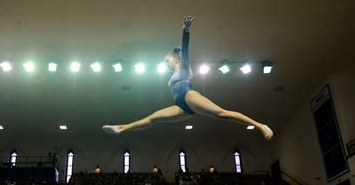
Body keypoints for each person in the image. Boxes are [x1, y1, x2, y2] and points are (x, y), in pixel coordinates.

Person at [102, 16, 273, 141]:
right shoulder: (171, 76)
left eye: (166, 60)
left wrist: (185, 30)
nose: (165, 64)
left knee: (222, 114)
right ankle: (121, 128)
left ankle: (260, 125)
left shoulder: (184, 66)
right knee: (154, 117)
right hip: (181, 106)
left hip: (189, 96)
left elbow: (185, 49)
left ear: (175, 59)